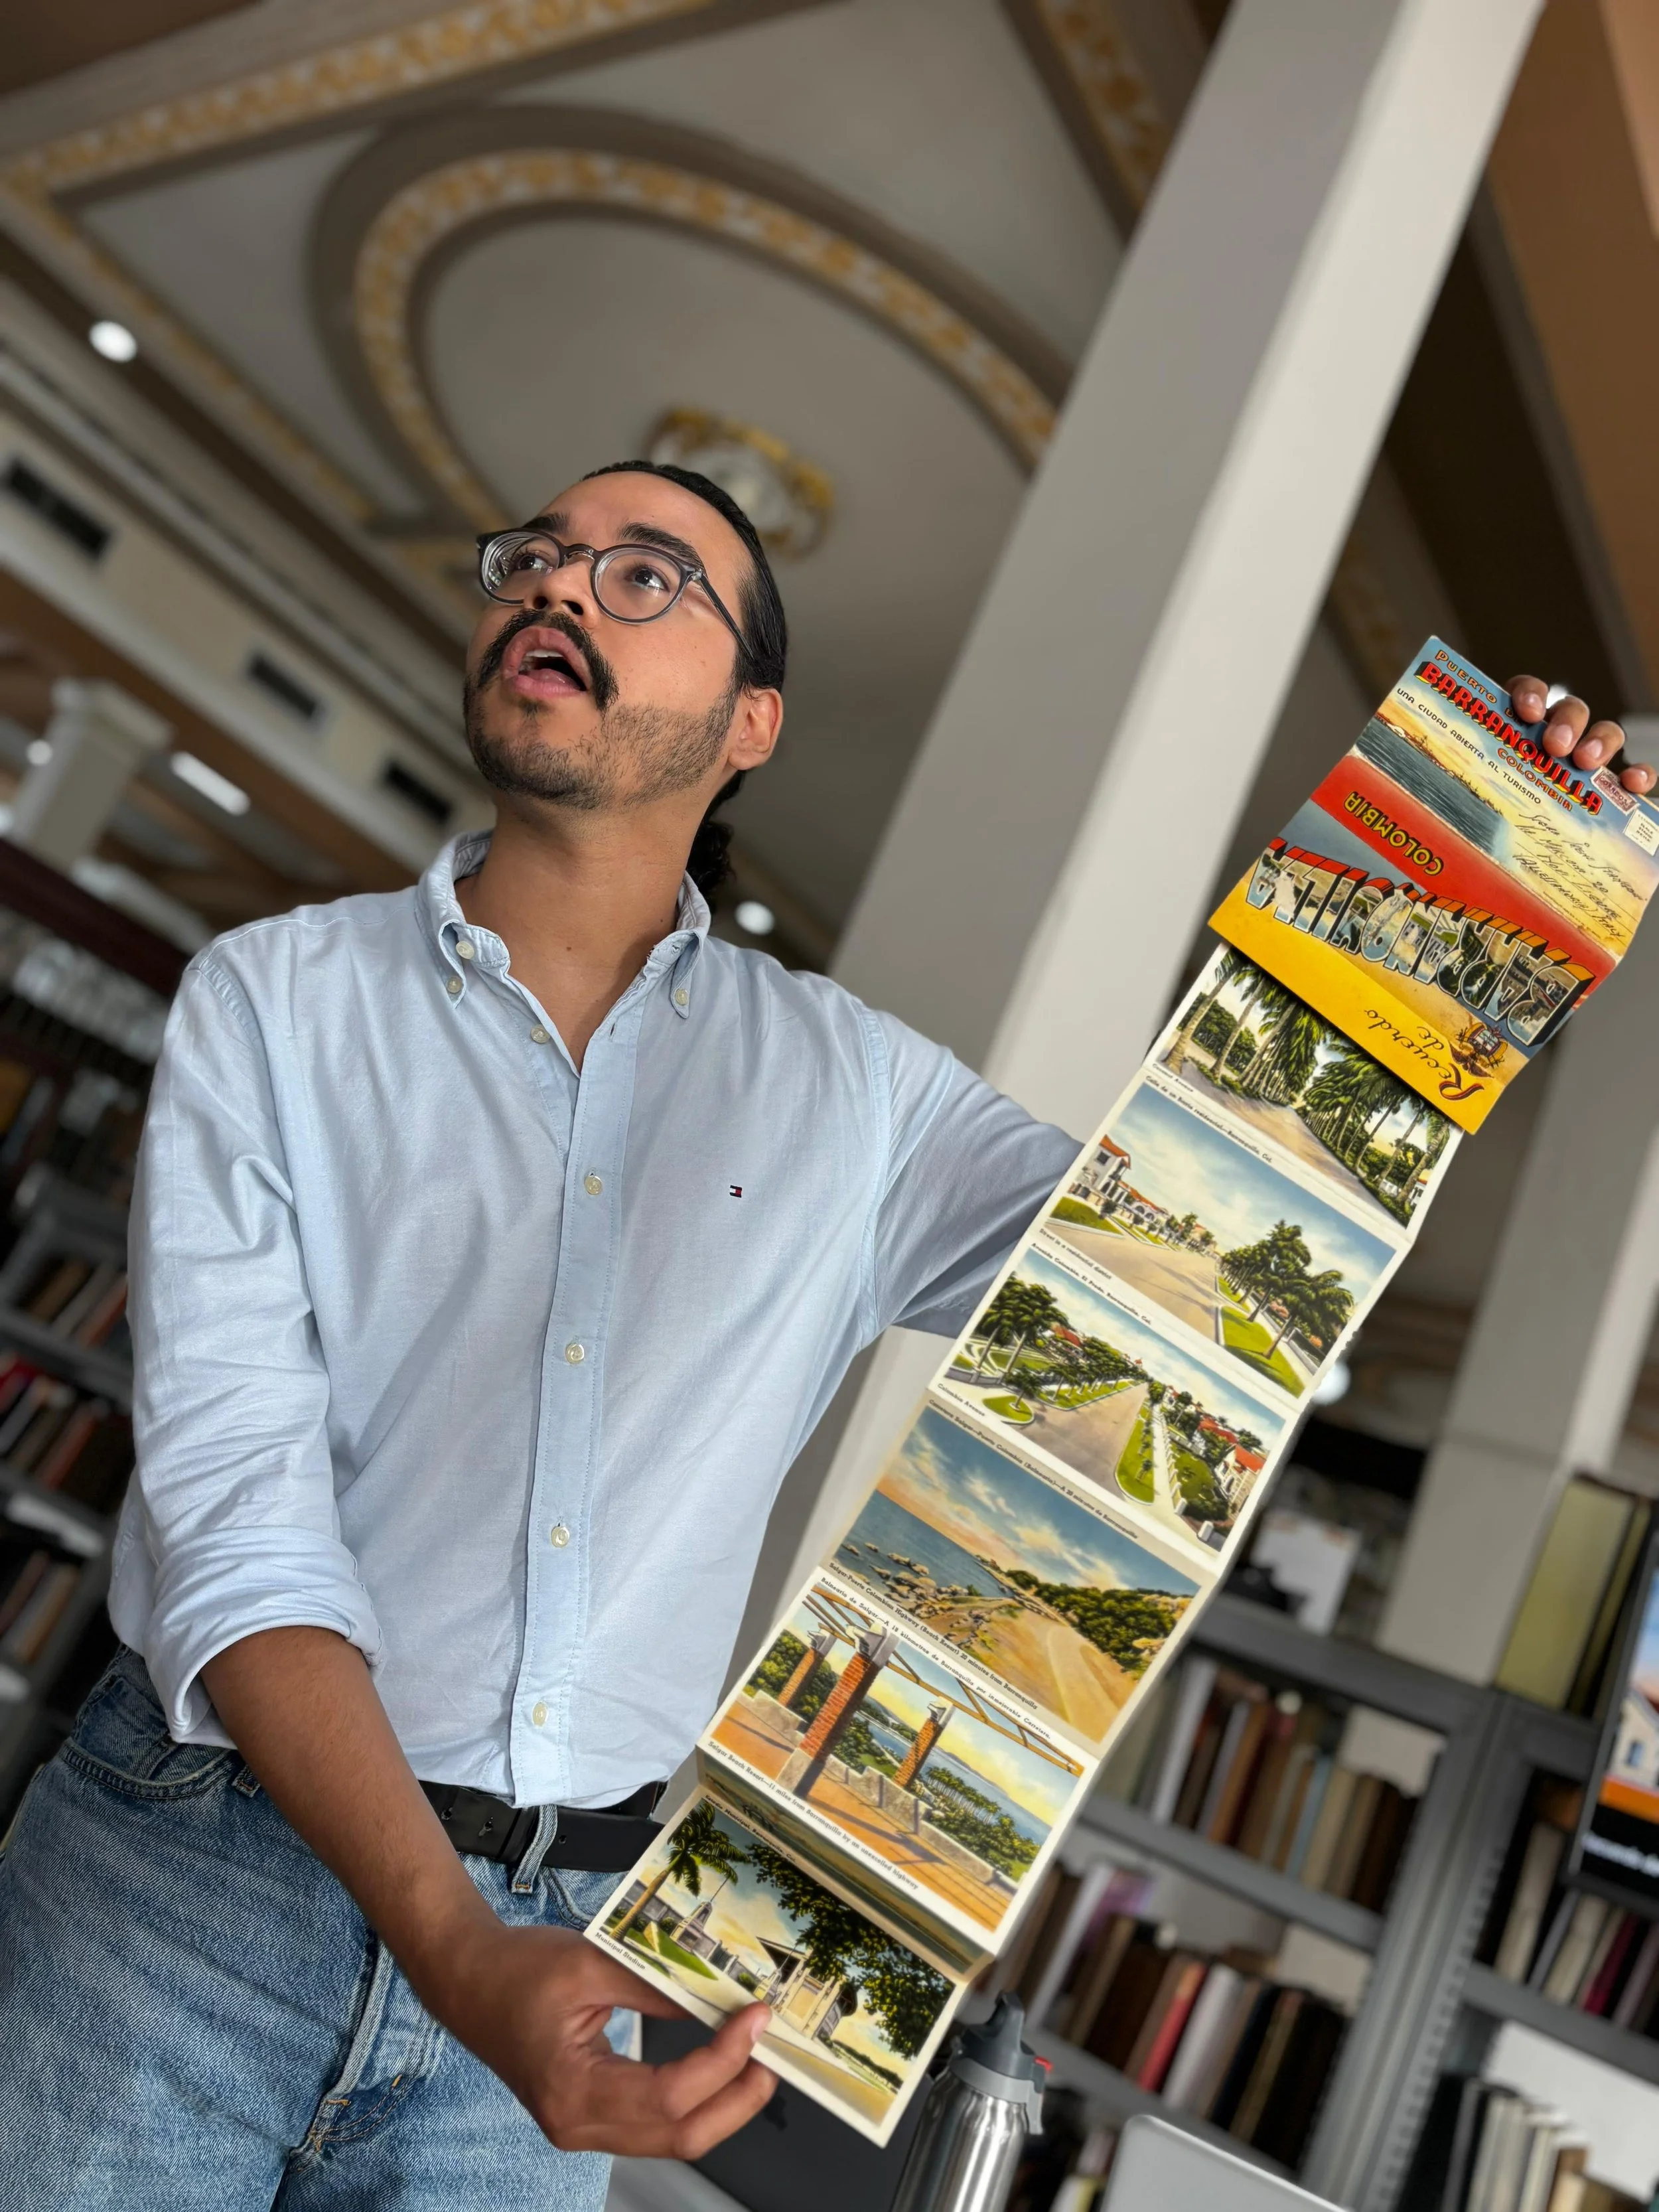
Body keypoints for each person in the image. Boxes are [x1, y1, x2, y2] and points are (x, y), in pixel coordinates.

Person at [0, 459, 1648, 2211]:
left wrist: (1457, 919)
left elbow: (1194, 1287)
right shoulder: (275, 1000)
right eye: (537, 556)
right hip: (186, 1889)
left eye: (645, 575)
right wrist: (454, 1948)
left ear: (752, 723)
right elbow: (237, 1522)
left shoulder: (860, 1095)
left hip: (583, 1919)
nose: (556, 586)